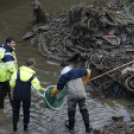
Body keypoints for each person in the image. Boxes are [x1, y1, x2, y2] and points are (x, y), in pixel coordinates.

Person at [51, 62, 92, 133]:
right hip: (82, 94)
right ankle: (88, 128)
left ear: (62, 67)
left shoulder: (63, 77)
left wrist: (52, 94)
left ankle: (71, 127)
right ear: (69, 66)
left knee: (71, 111)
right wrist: (84, 82)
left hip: (72, 96)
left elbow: (58, 88)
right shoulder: (77, 70)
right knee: (84, 110)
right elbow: (88, 72)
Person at [9, 58, 45, 132]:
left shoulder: (17, 72)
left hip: (17, 95)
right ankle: (25, 128)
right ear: (32, 65)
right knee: (26, 111)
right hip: (26, 96)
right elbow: (37, 88)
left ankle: (15, 129)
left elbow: (11, 83)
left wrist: (13, 91)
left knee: (15, 111)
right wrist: (45, 90)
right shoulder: (32, 77)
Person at [0, 37, 18, 108]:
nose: (14, 45)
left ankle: (1, 108)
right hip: (7, 77)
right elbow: (11, 68)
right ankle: (15, 109)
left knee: (1, 93)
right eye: (13, 43)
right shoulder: (8, 53)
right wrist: (18, 73)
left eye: (14, 43)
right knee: (12, 93)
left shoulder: (1, 48)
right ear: (8, 43)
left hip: (1, 76)